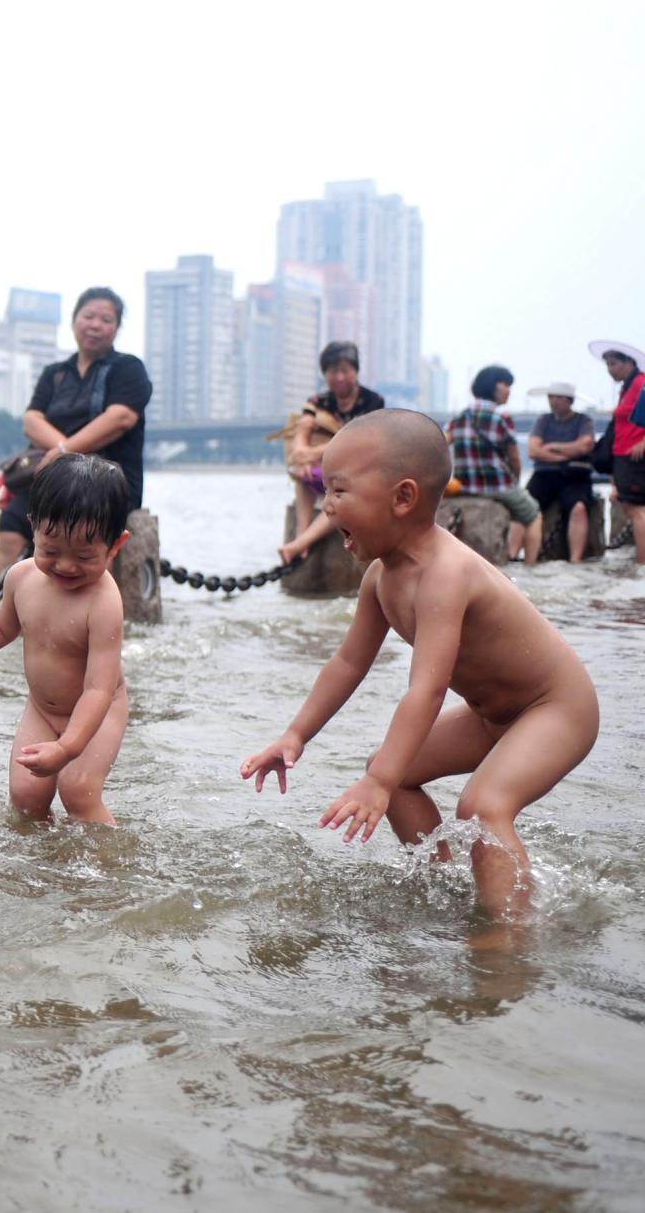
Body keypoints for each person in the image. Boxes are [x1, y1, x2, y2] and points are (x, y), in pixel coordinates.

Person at [240, 410, 599, 922]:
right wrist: (296, 735)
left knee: (481, 805)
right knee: (395, 773)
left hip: (556, 709)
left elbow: (426, 691)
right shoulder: (380, 578)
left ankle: (507, 935)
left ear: (403, 497)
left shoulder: (446, 575)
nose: (325, 504)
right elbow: (347, 663)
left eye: (339, 490)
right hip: (491, 714)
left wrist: (379, 783)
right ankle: (444, 885)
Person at [0, 453, 131, 826]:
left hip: (99, 711)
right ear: (34, 527)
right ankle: (44, 859)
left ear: (115, 545)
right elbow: (1, 627)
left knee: (78, 791)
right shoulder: (21, 577)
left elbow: (99, 689)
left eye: (84, 556)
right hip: (42, 709)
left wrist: (67, 747)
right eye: (51, 550)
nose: (65, 565)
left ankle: (108, 859)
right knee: (26, 798)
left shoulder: (104, 602)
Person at [0, 289, 151, 577]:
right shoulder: (55, 373)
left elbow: (120, 417)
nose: (95, 325)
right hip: (52, 477)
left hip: (108, 478)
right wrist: (62, 454)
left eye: (106, 319)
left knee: (90, 538)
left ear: (116, 328)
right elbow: (31, 420)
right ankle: (11, 600)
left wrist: (64, 452)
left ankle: (94, 603)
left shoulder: (128, 368)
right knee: (10, 528)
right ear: (74, 320)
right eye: (88, 316)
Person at [278, 340, 385, 563]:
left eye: (345, 370)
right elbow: (303, 428)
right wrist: (301, 454)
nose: (339, 377)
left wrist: (312, 453)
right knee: (302, 474)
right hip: (325, 469)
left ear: (355, 370)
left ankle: (301, 544)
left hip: (357, 472)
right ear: (325, 374)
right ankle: (301, 533)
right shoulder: (318, 401)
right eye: (333, 372)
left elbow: (359, 440)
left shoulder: (373, 401)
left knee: (340, 496)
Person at [446, 365, 543, 564]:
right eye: (505, 385)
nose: (508, 390)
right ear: (492, 386)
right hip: (498, 486)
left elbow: (440, 443)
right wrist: (515, 481)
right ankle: (531, 565)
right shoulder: (501, 417)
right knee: (533, 515)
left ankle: (513, 553)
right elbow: (514, 457)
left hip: (464, 486)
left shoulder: (460, 416)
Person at [524, 381, 597, 563]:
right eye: (551, 397)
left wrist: (552, 447)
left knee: (579, 508)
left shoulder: (584, 421)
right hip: (544, 475)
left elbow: (585, 445)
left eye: (558, 398)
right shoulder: (543, 420)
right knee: (525, 508)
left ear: (569, 400)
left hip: (575, 476)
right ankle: (519, 556)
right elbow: (533, 450)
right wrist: (566, 455)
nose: (553, 401)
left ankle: (575, 559)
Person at [593, 339, 645, 561]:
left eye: (614, 363)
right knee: (632, 508)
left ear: (629, 363)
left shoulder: (640, 382)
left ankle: (642, 562)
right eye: (608, 364)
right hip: (624, 453)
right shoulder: (627, 387)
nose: (610, 369)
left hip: (634, 455)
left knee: (637, 510)